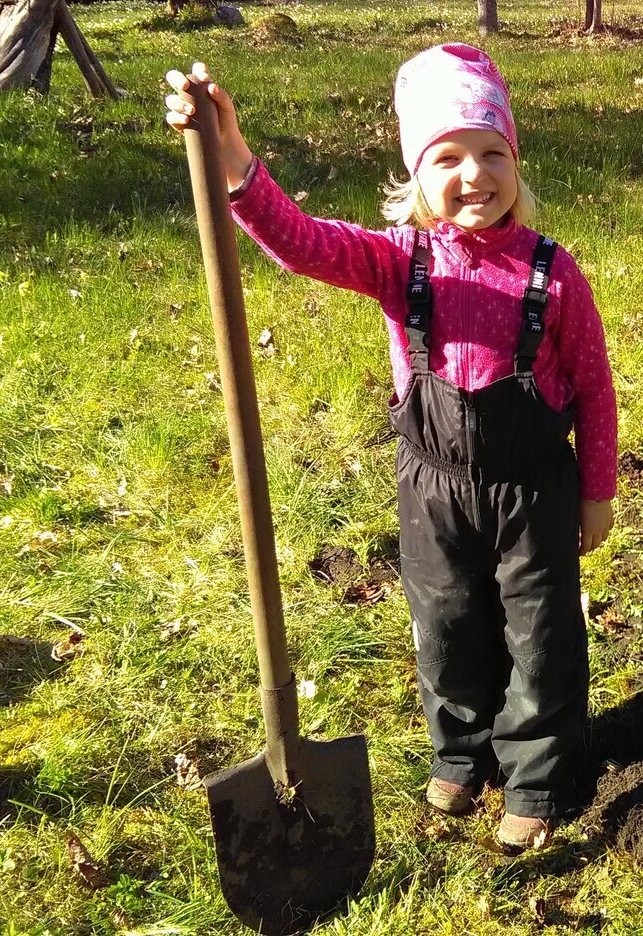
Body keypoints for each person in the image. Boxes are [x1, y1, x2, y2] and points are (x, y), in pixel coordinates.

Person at [163, 45, 617, 852]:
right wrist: (234, 160)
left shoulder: (554, 273)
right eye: (447, 157)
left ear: (516, 162)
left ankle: (537, 775)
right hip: (433, 489)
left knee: (541, 636)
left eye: (492, 153)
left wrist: (596, 491)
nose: (474, 174)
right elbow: (302, 241)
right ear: (416, 176)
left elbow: (594, 387)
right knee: (445, 626)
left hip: (532, 490)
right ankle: (461, 752)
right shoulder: (398, 261)